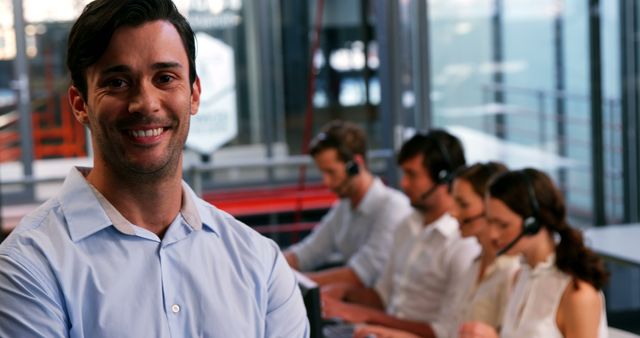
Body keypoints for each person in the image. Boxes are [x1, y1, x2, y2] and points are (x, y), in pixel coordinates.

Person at [0, 0, 308, 337]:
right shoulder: (27, 267)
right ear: (80, 104)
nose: (145, 103)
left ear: (194, 94)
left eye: (165, 78)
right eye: (117, 82)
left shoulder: (260, 263)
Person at [322, 130, 480, 336]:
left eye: (412, 175)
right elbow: (383, 295)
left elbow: (444, 332)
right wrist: (344, 293)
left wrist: (364, 315)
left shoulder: (462, 244)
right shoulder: (407, 224)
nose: (404, 183)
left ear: (444, 179)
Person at [354, 162, 519, 338]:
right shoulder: (475, 265)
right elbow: (447, 334)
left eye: (463, 204)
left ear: (491, 207)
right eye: (454, 201)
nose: (453, 212)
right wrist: (386, 334)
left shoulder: (511, 273)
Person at [459, 168, 609, 338]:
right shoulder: (520, 276)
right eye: (490, 221)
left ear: (533, 225)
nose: (492, 234)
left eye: (502, 225)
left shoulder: (577, 293)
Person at [284, 120, 412, 288]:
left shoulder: (392, 208)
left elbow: (359, 275)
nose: (326, 182)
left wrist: (288, 282)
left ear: (356, 165)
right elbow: (305, 254)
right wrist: (266, 265)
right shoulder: (343, 209)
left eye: (331, 172)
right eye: (323, 173)